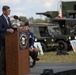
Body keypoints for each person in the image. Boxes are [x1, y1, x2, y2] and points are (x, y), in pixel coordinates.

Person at [0, 6, 14, 75]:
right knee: (2, 57)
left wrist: (14, 28)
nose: (9, 12)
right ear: (4, 11)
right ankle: (1, 71)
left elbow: (10, 27)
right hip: (2, 40)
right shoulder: (0, 18)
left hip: (8, 41)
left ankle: (7, 69)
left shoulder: (8, 18)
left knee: (7, 56)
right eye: (8, 10)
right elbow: (0, 29)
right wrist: (7, 30)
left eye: (10, 10)